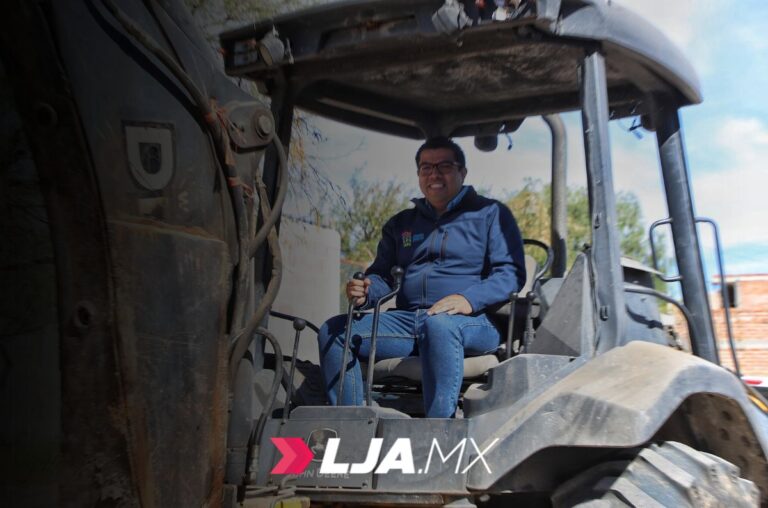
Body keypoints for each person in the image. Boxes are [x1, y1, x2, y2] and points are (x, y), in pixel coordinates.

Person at [317, 137, 526, 417]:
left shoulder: (490, 214)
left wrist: (468, 299)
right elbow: (382, 276)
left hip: (473, 322)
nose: (434, 174)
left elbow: (510, 273)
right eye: (426, 167)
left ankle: (437, 431)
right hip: (409, 321)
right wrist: (367, 290)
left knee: (439, 326)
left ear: (462, 172)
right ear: (418, 175)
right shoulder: (401, 224)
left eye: (444, 166)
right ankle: (352, 424)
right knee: (333, 332)